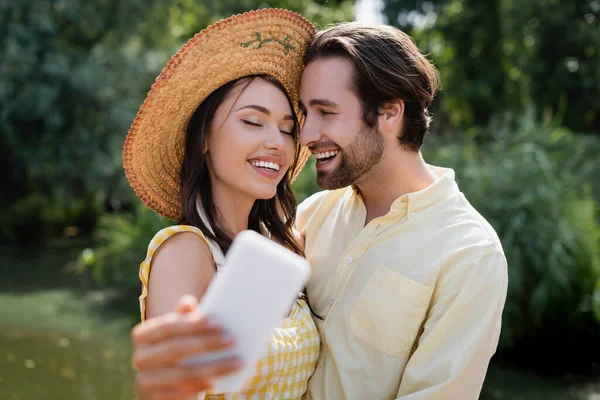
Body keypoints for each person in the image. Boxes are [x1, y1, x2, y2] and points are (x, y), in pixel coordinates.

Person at [294, 22, 508, 399]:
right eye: (305, 113)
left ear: (390, 112)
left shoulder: (469, 255)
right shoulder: (312, 215)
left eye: (326, 112)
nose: (307, 134)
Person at [124, 9, 319, 400]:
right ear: (204, 139)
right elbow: (172, 385)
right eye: (252, 121)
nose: (278, 143)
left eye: (286, 129)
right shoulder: (186, 251)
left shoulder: (283, 245)